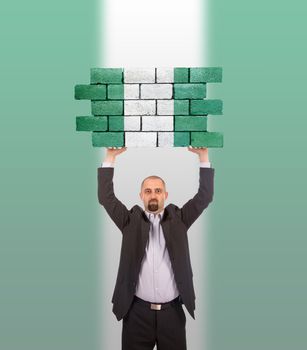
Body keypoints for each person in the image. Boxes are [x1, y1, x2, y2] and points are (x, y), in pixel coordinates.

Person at [98, 146, 215, 350]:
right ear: (141, 195)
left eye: (158, 191)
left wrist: (203, 157)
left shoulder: (179, 219)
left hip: (173, 314)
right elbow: (106, 198)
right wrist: (110, 157)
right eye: (148, 191)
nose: (153, 195)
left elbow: (203, 197)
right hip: (136, 314)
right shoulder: (129, 221)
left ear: (165, 195)